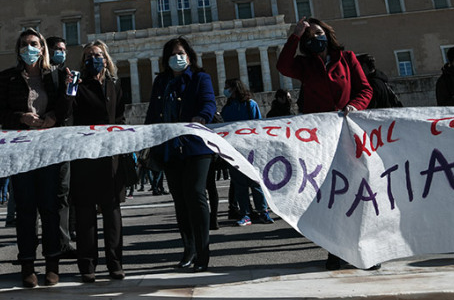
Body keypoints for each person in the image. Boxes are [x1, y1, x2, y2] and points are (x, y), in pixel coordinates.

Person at [276, 17, 372, 270]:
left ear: (328, 35)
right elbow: (283, 65)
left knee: (357, 192)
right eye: (309, 37)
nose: (315, 39)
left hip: (348, 133)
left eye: (318, 33)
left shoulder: (348, 58)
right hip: (320, 137)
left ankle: (363, 250)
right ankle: (335, 250)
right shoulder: (305, 65)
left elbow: (365, 89)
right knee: (331, 194)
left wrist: (354, 106)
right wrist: (295, 35)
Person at [0, 28, 69, 288]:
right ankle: (27, 264)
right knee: (25, 210)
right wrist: (22, 117)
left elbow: (66, 108)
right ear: (18, 49)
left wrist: (53, 117)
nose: (29, 48)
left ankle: (52, 264)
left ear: (43, 48)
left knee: (49, 208)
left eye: (34, 43)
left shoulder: (56, 77)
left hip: (49, 150)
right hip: (21, 150)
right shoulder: (8, 78)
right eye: (24, 44)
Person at [145, 37, 217, 271]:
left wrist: (201, 117)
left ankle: (203, 250)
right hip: (169, 147)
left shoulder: (200, 78)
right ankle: (189, 249)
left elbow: (209, 103)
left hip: (196, 146)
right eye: (173, 54)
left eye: (182, 53)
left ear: (189, 56)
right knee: (180, 201)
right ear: (166, 59)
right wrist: (146, 139)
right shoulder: (161, 82)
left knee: (196, 194)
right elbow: (153, 112)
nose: (178, 57)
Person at [67, 40, 128, 282]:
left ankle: (115, 263)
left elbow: (120, 115)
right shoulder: (78, 85)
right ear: (83, 62)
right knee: (85, 215)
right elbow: (68, 112)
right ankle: (88, 266)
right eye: (89, 55)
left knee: (112, 213)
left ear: (106, 58)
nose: (95, 58)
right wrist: (70, 88)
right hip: (85, 155)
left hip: (111, 155)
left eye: (98, 54)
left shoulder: (114, 84)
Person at [220, 79, 273, 226]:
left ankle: (263, 211)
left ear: (235, 88)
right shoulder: (227, 108)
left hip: (251, 149)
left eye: (227, 88)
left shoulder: (250, 105)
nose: (225, 91)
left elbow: (258, 126)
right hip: (234, 150)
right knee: (239, 184)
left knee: (255, 182)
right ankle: (245, 214)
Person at [46, 35, 77, 260]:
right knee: (54, 193)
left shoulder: (69, 75)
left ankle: (64, 239)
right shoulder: (43, 76)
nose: (61, 53)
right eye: (57, 49)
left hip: (68, 138)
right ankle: (59, 240)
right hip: (47, 139)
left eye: (64, 49)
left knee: (65, 192)